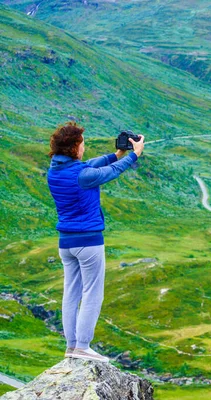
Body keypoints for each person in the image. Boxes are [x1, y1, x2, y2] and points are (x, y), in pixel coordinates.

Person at [47, 122, 144, 362]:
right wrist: (134, 155)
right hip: (88, 242)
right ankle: (83, 346)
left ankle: (71, 347)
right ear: (73, 148)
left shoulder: (55, 170)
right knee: (92, 293)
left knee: (71, 293)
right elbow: (107, 173)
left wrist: (115, 154)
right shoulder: (82, 175)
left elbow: (89, 166)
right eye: (81, 145)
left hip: (66, 243)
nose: (83, 149)